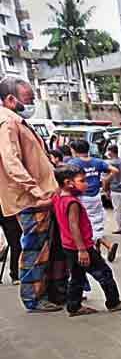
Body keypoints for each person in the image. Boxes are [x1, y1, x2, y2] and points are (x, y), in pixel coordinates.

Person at [0, 76, 66, 312]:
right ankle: (34, 298)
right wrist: (37, 192)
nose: (31, 104)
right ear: (10, 99)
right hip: (31, 200)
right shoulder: (7, 123)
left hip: (41, 198)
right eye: (28, 99)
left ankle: (52, 292)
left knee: (49, 249)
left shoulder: (15, 121)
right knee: (36, 250)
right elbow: (12, 163)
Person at [51, 166, 121, 317]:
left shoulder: (58, 197)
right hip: (81, 247)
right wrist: (82, 250)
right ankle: (114, 302)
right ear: (68, 183)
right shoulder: (72, 203)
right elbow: (74, 227)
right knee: (104, 273)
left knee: (77, 276)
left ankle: (74, 306)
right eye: (82, 181)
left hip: (69, 246)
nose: (87, 184)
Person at [69, 139, 120, 262]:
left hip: (82, 197)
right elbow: (115, 170)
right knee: (96, 222)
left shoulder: (73, 163)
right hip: (96, 196)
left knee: (85, 224)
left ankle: (106, 245)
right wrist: (106, 180)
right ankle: (97, 250)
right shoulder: (97, 161)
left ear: (75, 150)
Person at [1, 213, 21, 284]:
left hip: (8, 211)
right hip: (8, 211)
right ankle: (15, 275)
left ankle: (15, 274)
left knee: (15, 243)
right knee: (15, 243)